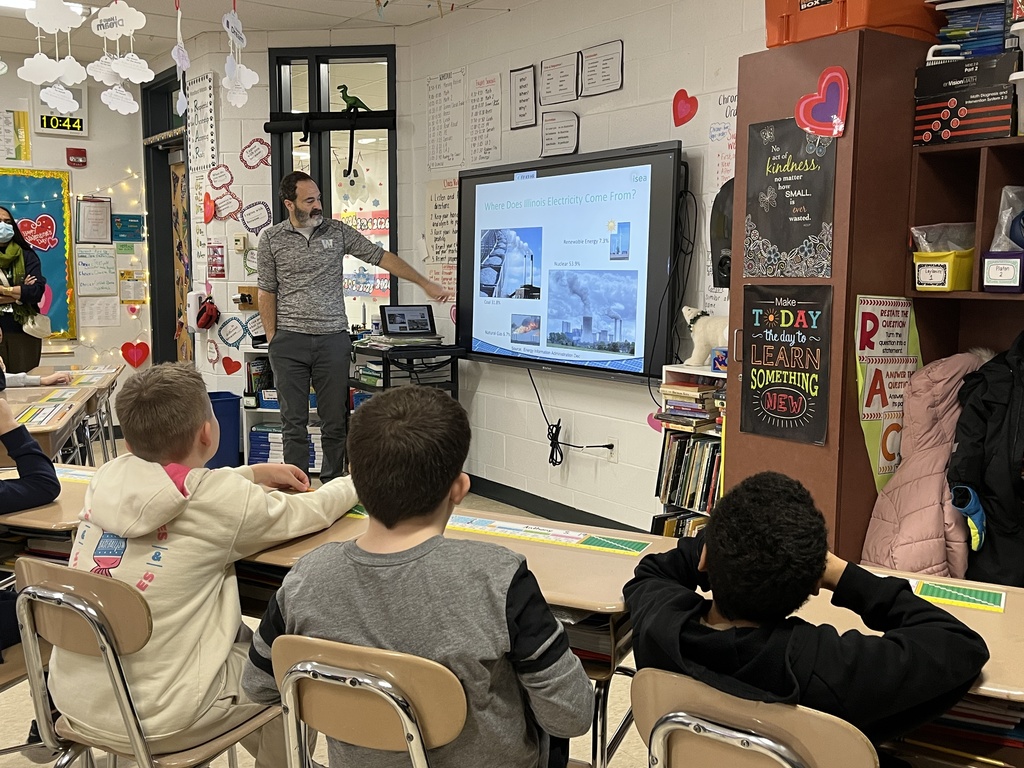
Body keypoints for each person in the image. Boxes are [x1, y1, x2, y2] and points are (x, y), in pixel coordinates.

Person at [241, 386, 593, 768]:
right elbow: (570, 715)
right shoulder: (499, 579)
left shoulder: (305, 579)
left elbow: (258, 686)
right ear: (459, 489)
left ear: (354, 480)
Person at [47, 363, 360, 768]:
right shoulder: (222, 501)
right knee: (288, 668)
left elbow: (176, 486)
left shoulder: (107, 477)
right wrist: (357, 479)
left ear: (129, 440)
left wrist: (249, 474)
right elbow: (313, 511)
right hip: (163, 715)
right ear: (207, 433)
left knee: (241, 648)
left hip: (79, 700)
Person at [624, 471, 990, 747]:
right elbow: (960, 644)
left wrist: (718, 544)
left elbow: (655, 569)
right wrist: (843, 575)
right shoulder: (829, 668)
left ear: (704, 559)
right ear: (814, 584)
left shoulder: (657, 621)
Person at [256, 171, 454, 482]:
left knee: (335, 420)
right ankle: (296, 488)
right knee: (292, 422)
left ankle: (333, 484)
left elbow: (381, 257)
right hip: (290, 342)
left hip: (332, 339)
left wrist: (424, 282)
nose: (318, 205)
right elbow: (266, 290)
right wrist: (273, 338)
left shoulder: (337, 232)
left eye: (319, 198)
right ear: (289, 204)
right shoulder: (271, 239)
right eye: (309, 200)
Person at [0, 207, 48, 373]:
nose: (3, 225)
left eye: (7, 222)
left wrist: (3, 290)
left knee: (25, 382)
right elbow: (27, 292)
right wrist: (20, 293)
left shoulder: (27, 255)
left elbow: (36, 292)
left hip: (24, 332)